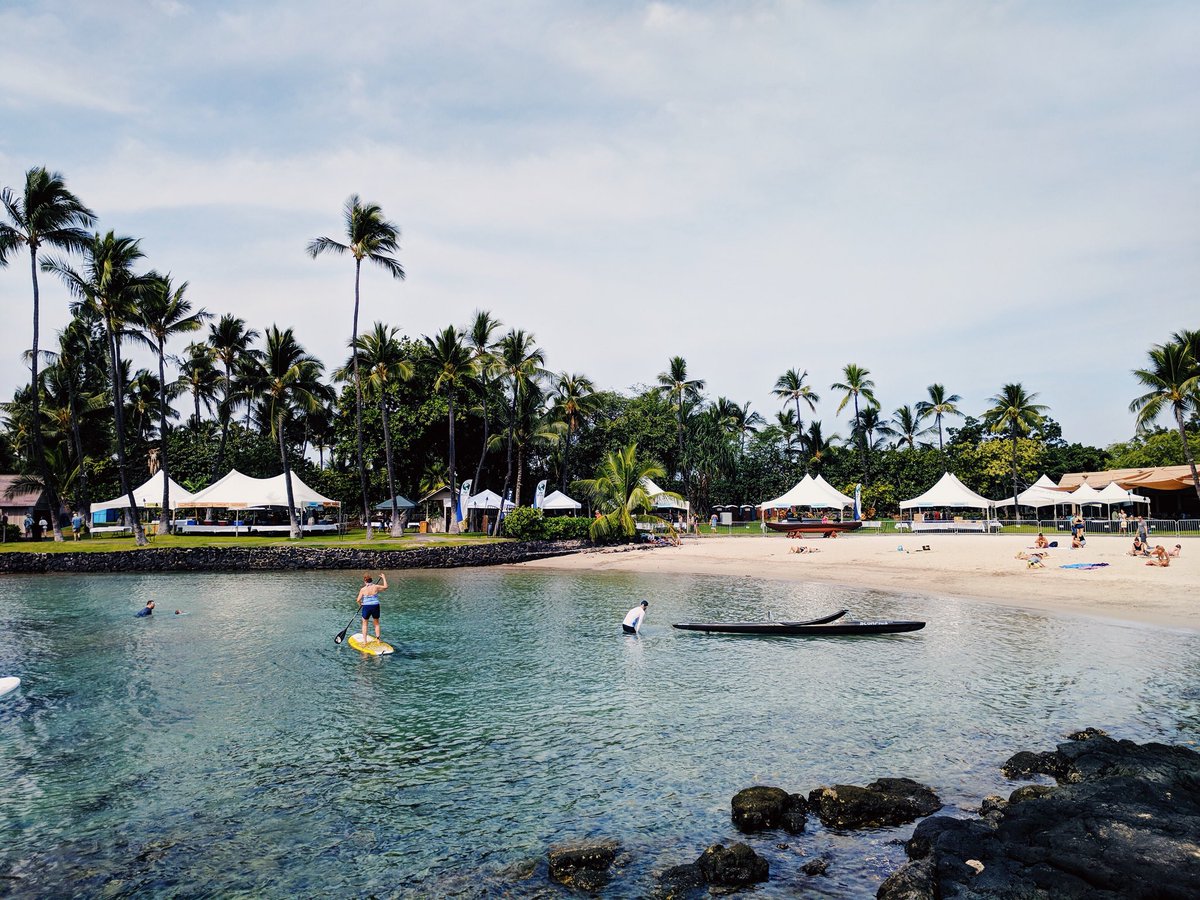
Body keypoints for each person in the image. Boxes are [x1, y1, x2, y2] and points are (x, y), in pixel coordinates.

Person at [356, 572, 388, 642]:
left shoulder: (363, 589)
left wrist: (360, 604)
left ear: (365, 581)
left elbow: (358, 600)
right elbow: (385, 587)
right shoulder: (376, 587)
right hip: (375, 606)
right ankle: (378, 639)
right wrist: (383, 577)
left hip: (366, 607)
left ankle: (365, 641)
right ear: (371, 580)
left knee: (364, 624)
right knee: (376, 623)